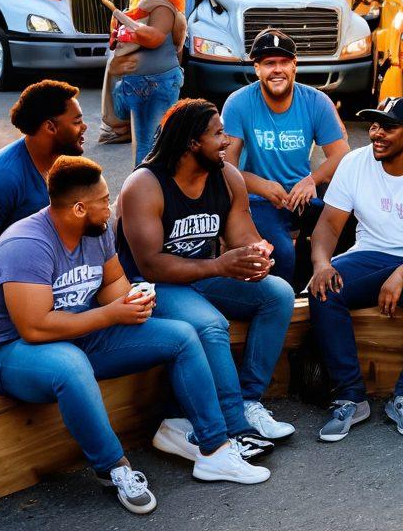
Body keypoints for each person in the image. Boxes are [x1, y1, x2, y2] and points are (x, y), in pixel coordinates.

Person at [0, 156, 268, 516]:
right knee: (70, 365)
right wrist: (110, 314)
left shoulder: (98, 231)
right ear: (78, 208)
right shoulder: (27, 245)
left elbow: (111, 285)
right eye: (104, 200)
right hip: (1, 351)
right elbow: (35, 327)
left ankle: (214, 450)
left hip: (75, 330)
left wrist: (134, 298)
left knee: (182, 335)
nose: (112, 207)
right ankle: (115, 468)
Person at [117, 99, 297, 456]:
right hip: (151, 286)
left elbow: (242, 235)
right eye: (217, 134)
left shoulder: (226, 176)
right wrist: (220, 266)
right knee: (211, 323)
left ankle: (247, 400)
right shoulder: (145, 185)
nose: (227, 141)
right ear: (191, 143)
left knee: (278, 294)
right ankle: (234, 425)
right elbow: (151, 265)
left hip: (200, 275)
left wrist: (255, 256)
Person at [307, 97, 403, 442]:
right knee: (324, 288)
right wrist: (321, 264)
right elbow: (328, 227)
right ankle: (350, 397)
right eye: (374, 125)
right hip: (370, 254)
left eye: (387, 127)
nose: (376, 134)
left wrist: (401, 273)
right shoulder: (354, 163)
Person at [223, 29, 350, 286]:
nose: (277, 69)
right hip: (257, 200)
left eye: (283, 62)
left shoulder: (316, 101)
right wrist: (262, 185)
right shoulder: (238, 103)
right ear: (257, 69)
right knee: (281, 254)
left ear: (295, 66)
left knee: (348, 225)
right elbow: (226, 166)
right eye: (269, 63)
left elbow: (341, 155)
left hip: (301, 196)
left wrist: (311, 180)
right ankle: (285, 306)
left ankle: (312, 290)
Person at [0, 80, 87, 290]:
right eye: (76, 122)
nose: (84, 127)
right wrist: (18, 296)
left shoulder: (60, 161)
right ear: (50, 126)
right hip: (23, 295)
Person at [101, 0, 187, 166]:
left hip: (138, 76)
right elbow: (156, 37)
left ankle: (145, 186)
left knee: (149, 141)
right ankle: (147, 190)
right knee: (156, 141)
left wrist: (119, 18)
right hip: (159, 77)